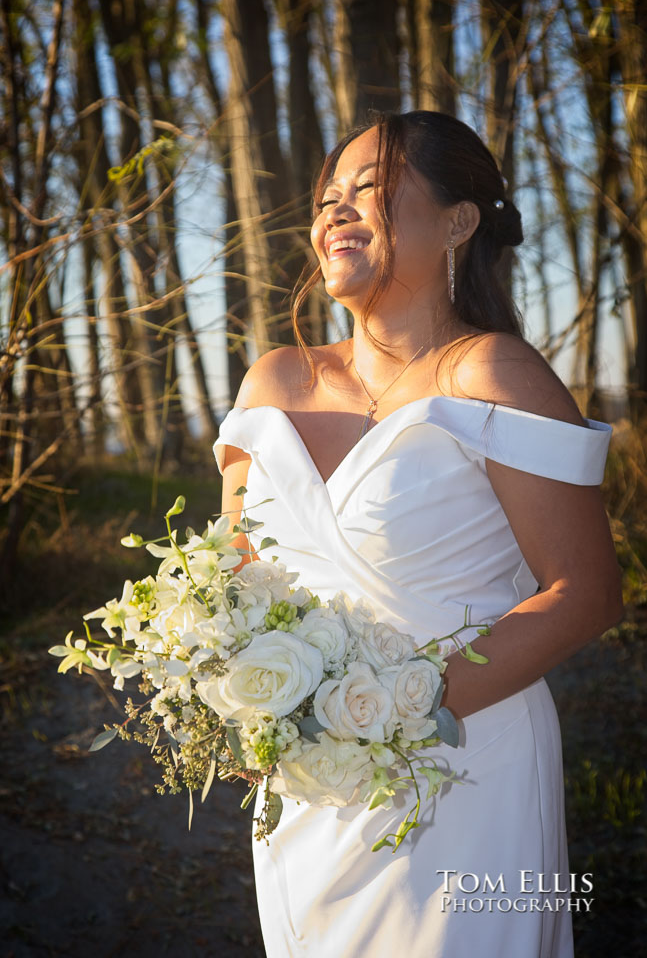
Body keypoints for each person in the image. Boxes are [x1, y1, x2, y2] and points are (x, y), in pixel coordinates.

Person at [214, 111, 623, 957]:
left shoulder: (492, 374)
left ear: (458, 221)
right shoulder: (277, 379)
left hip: (462, 767)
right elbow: (232, 569)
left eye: (366, 189)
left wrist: (395, 716)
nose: (334, 211)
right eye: (327, 197)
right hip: (306, 786)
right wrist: (238, 704)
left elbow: (585, 594)